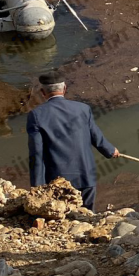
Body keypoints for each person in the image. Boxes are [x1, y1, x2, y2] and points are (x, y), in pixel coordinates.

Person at [26, 71, 119, 211]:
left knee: (61, 215)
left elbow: (36, 153)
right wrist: (111, 151)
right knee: (87, 214)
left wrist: (37, 185)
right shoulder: (83, 109)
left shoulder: (36, 115)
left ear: (42, 92)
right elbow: (95, 135)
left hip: (57, 181)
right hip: (86, 175)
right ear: (64, 89)